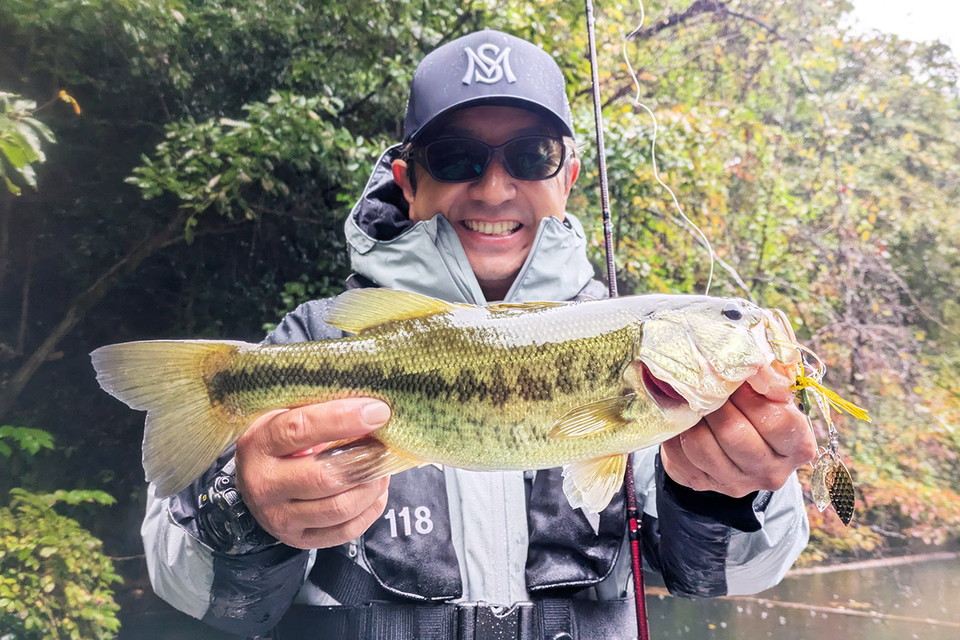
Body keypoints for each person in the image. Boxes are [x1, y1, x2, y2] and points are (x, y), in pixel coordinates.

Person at [141, 29, 816, 639]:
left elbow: (737, 578)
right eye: (457, 157)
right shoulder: (313, 339)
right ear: (408, 180)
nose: (495, 188)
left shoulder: (645, 365)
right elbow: (190, 588)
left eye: (531, 154)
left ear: (569, 176)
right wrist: (242, 507)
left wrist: (726, 490)